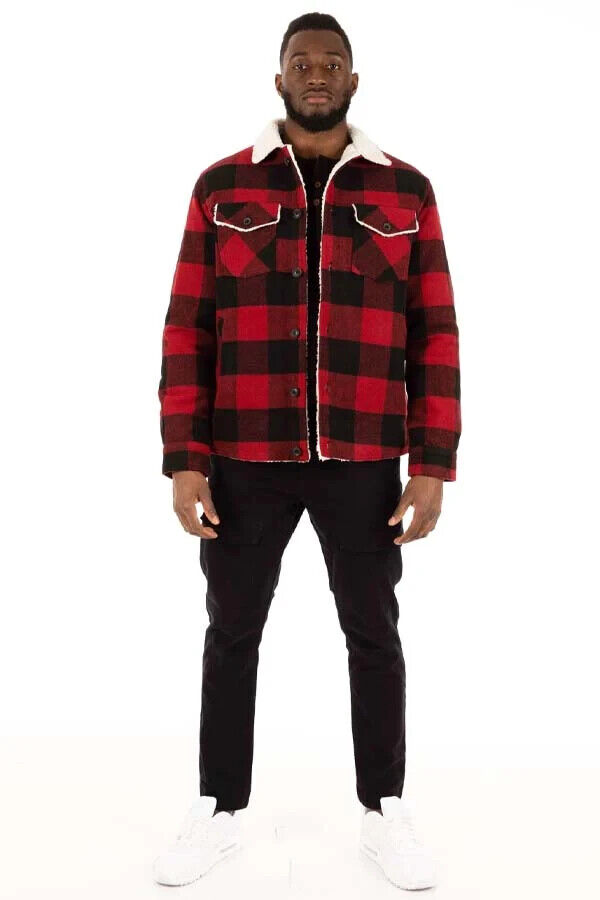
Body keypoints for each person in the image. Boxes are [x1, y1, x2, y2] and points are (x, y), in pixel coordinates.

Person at [154, 11, 461, 891]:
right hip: (244, 457)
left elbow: (434, 331)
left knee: (374, 633)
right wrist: (186, 456)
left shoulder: (406, 191)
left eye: (331, 62)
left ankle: (384, 809)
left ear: (353, 81)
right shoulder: (222, 187)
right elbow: (187, 329)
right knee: (231, 633)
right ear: (279, 78)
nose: (316, 73)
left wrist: (431, 463)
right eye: (301, 61)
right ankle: (218, 808)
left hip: (364, 458)